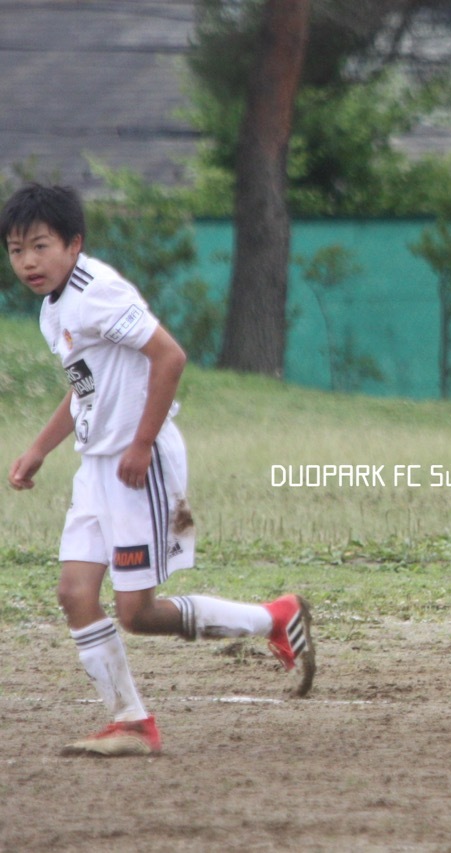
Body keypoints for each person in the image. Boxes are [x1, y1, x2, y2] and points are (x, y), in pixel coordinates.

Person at [4, 183, 315, 757]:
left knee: (137, 613)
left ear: (74, 244)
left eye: (40, 246)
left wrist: (142, 443)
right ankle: (131, 722)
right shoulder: (55, 309)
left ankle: (274, 617)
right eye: (16, 249)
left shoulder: (97, 292)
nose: (27, 261)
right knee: (75, 593)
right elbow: (85, 391)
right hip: (97, 468)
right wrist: (41, 448)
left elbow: (169, 356)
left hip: (136, 468)